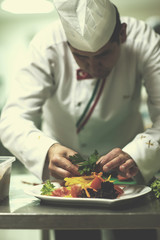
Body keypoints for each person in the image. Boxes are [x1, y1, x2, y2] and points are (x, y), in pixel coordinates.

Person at [0, 0, 159, 239]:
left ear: (122, 34)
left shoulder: (144, 40)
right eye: (81, 56)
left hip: (128, 170)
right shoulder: (46, 45)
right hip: (67, 176)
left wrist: (138, 153)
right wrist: (47, 149)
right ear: (67, 44)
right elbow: (12, 118)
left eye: (104, 54)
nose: (93, 66)